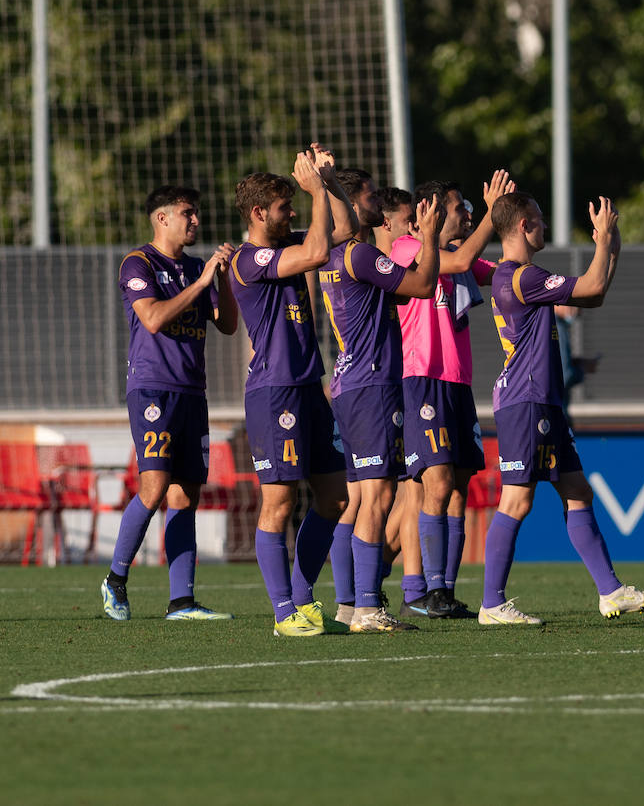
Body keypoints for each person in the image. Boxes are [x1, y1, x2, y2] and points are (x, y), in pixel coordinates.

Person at [479, 191, 644, 625]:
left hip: (542, 401)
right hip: (526, 401)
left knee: (578, 493)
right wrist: (601, 243)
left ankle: (612, 592)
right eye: (540, 220)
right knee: (516, 502)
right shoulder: (521, 277)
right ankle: (492, 603)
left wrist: (610, 243)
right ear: (524, 226)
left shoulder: (515, 277)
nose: (545, 226)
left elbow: (592, 295)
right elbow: (592, 287)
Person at [228, 145, 357, 637]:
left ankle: (302, 601)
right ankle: (284, 612)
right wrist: (316, 190)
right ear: (260, 213)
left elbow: (343, 232)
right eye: (286, 207)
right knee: (278, 503)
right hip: (273, 392)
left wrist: (329, 182)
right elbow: (320, 252)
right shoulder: (249, 259)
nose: (295, 211)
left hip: (307, 387)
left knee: (334, 498)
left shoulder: (285, 247)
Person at [101, 186, 240, 622]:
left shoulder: (199, 267)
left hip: (192, 392)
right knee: (155, 485)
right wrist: (201, 283)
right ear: (161, 219)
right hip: (152, 390)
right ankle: (115, 580)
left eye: (196, 213)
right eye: (187, 213)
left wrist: (221, 279)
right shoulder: (138, 263)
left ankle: (181, 601)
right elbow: (154, 318)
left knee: (185, 495)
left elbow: (230, 326)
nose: (195, 220)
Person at [317, 177, 444, 632]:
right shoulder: (360, 253)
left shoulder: (332, 256)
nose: (379, 202)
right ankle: (368, 607)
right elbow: (425, 285)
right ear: (350, 206)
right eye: (370, 196)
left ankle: (351, 604)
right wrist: (428, 235)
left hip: (350, 383)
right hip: (372, 383)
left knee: (356, 500)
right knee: (379, 495)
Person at [388, 174, 508, 620]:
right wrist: (495, 216)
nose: (469, 216)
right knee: (434, 485)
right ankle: (422, 589)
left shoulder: (457, 256)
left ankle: (443, 591)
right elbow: (457, 265)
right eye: (461, 209)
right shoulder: (406, 249)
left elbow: (498, 276)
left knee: (459, 488)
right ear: (431, 211)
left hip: (458, 385)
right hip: (421, 380)